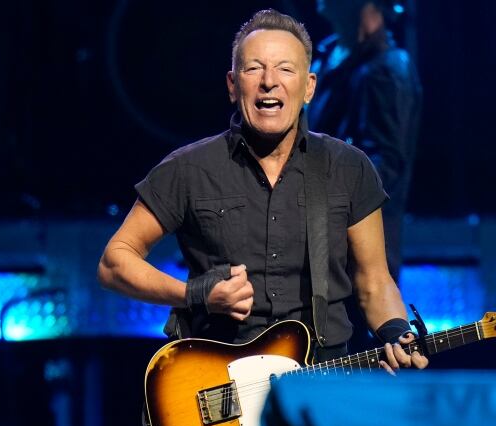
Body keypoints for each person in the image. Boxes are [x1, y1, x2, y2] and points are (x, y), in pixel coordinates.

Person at [97, 9, 427, 374]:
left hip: (320, 387)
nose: (269, 82)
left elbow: (374, 281)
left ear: (309, 87)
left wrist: (397, 332)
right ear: (232, 84)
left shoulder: (349, 167)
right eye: (254, 69)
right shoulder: (188, 168)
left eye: (286, 69)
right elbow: (115, 262)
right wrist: (195, 294)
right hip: (218, 391)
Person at [308, 0, 422, 281]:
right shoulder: (326, 55)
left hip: (356, 259)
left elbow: (384, 166)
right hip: (314, 247)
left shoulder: (386, 70)